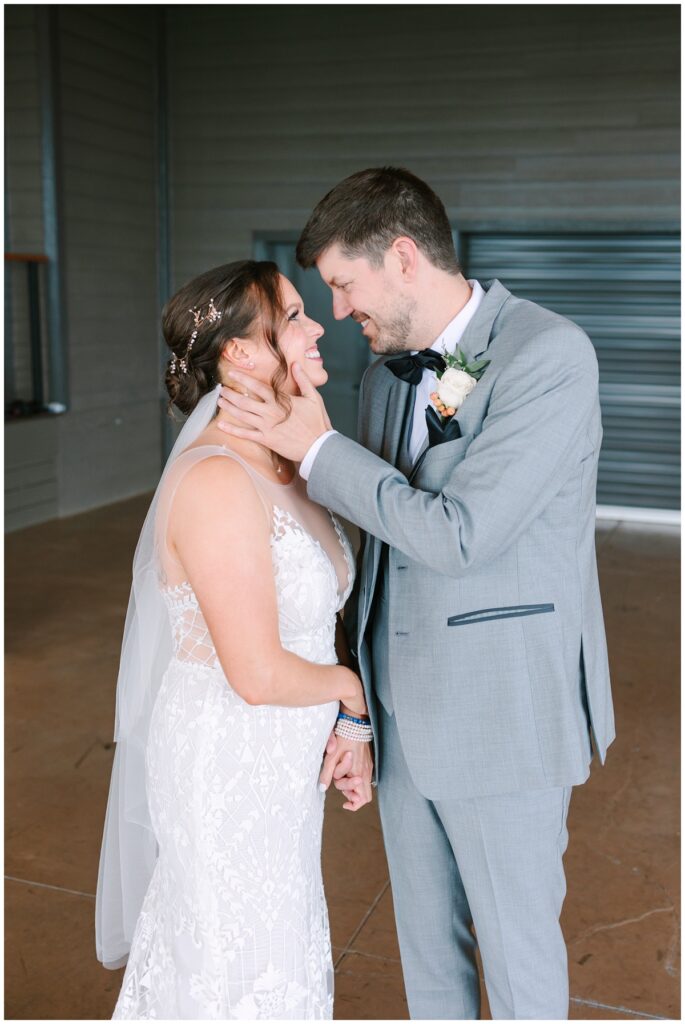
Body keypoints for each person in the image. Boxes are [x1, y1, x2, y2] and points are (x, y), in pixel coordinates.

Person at [217, 166, 616, 1020]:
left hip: (502, 713)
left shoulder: (548, 355)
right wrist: (356, 710)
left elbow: (458, 534)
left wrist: (320, 455)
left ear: (402, 257)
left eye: (342, 285)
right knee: (428, 961)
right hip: (401, 718)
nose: (336, 313)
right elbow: (377, 554)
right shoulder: (387, 375)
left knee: (516, 962)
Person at [95, 260, 373, 1020]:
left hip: (281, 762)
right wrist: (352, 696)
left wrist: (342, 724)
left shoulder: (287, 461)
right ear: (238, 356)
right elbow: (253, 671)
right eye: (292, 317)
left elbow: (311, 625)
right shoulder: (217, 481)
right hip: (230, 761)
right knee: (232, 961)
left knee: (276, 946)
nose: (317, 325)